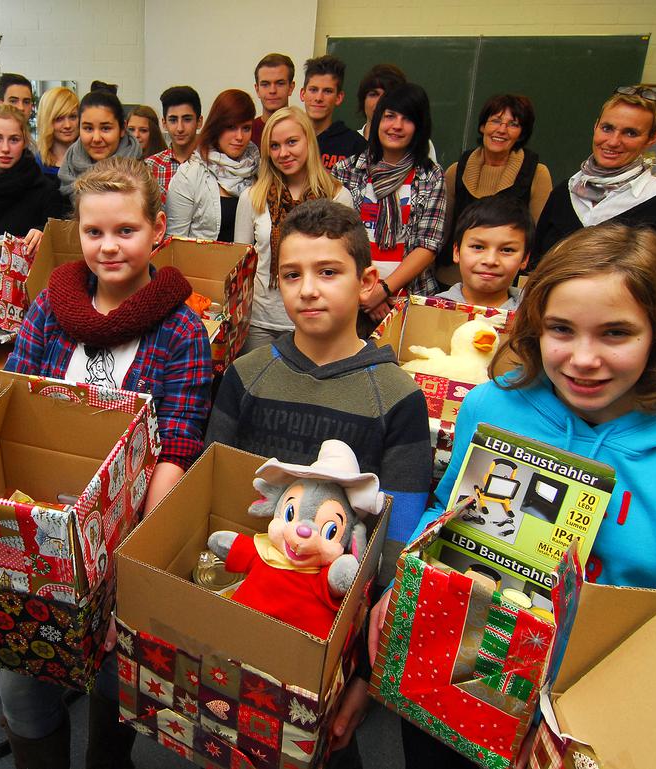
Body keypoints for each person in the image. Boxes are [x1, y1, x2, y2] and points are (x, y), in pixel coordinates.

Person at [368, 222, 656, 768]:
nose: (583, 358)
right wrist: (404, 581)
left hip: (584, 718)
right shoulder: (491, 407)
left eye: (616, 333)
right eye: (561, 330)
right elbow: (446, 511)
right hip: (454, 674)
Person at [1, 155, 212, 769]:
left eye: (126, 231)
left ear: (157, 233)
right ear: (78, 234)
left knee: (113, 678)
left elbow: (175, 445)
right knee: (24, 682)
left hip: (126, 525)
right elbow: (13, 408)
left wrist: (133, 560)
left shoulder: (181, 331)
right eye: (94, 232)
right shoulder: (49, 309)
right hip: (42, 519)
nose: (109, 246)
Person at [207, 198, 432, 767]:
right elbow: (211, 491)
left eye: (328, 271)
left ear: (367, 282)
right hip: (247, 599)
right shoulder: (247, 375)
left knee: (320, 750)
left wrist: (364, 678)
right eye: (291, 274)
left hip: (331, 630)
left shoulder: (397, 396)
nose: (307, 289)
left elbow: (395, 547)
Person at [533, 86, 656, 288]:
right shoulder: (564, 193)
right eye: (607, 128)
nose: (613, 141)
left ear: (652, 138)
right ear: (595, 126)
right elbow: (536, 262)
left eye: (630, 133)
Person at [234, 106, 353, 353]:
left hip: (317, 316)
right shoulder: (252, 198)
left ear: (309, 140)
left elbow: (346, 265)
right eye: (275, 146)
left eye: (292, 142)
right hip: (261, 321)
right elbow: (240, 266)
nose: (283, 153)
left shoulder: (338, 198)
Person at [331, 83, 446, 321]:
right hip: (350, 297)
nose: (396, 126)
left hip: (408, 301)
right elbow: (335, 238)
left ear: (419, 127)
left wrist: (384, 290)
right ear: (377, 121)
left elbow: (427, 245)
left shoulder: (430, 175)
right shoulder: (348, 169)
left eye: (407, 119)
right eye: (389, 116)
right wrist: (366, 293)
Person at [441, 94, 551, 272]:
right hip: (451, 277)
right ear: (483, 126)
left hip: (505, 279)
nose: (502, 130)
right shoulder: (456, 170)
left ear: (521, 133)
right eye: (495, 121)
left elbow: (538, 239)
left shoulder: (537, 174)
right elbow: (442, 231)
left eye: (513, 124)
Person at [0, 104, 64, 250]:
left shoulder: (45, 188)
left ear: (25, 142)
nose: (5, 148)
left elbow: (58, 239)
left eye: (14, 140)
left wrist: (42, 232)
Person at [166, 89, 258, 241]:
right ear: (217, 126)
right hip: (201, 263)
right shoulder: (189, 175)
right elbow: (174, 244)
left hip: (249, 263)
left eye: (246, 128)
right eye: (231, 127)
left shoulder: (257, 169)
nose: (239, 137)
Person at [435, 196, 533, 310]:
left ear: (525, 258)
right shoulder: (431, 310)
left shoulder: (533, 315)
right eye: (478, 247)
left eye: (507, 250)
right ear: (457, 252)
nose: (490, 260)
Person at [57, 89, 140, 200]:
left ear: (123, 129)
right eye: (88, 128)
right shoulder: (67, 172)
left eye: (105, 128)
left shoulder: (141, 176)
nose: (96, 138)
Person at [355, 63, 437, 162]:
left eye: (388, 94)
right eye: (374, 94)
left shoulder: (420, 144)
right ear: (363, 100)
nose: (380, 101)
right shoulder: (349, 142)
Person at [299, 55, 365, 170]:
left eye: (327, 91)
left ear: (339, 97)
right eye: (313, 90)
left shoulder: (355, 145)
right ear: (302, 94)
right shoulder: (288, 138)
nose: (319, 98)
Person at [144, 85, 202, 197]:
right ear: (164, 123)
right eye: (173, 120)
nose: (180, 128)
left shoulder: (212, 163)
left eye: (187, 119)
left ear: (199, 122)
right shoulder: (150, 167)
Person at [35, 86, 79, 175]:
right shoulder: (36, 165)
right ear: (47, 120)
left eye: (73, 117)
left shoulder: (90, 161)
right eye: (59, 118)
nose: (68, 125)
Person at [252, 53, 295, 141]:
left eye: (280, 84)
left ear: (291, 87)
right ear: (257, 90)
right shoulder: (247, 133)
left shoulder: (304, 130)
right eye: (265, 84)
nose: (272, 90)